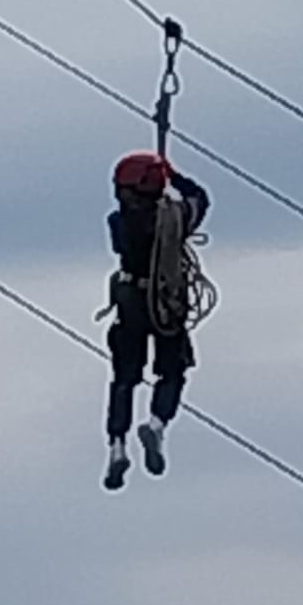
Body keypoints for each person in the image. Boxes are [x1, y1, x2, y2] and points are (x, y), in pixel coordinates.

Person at [101, 150, 210, 491]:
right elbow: (201, 199)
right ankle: (157, 424)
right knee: (173, 369)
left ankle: (117, 447)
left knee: (124, 378)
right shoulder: (174, 219)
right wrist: (173, 176)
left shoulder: (117, 223)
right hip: (165, 301)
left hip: (131, 300)